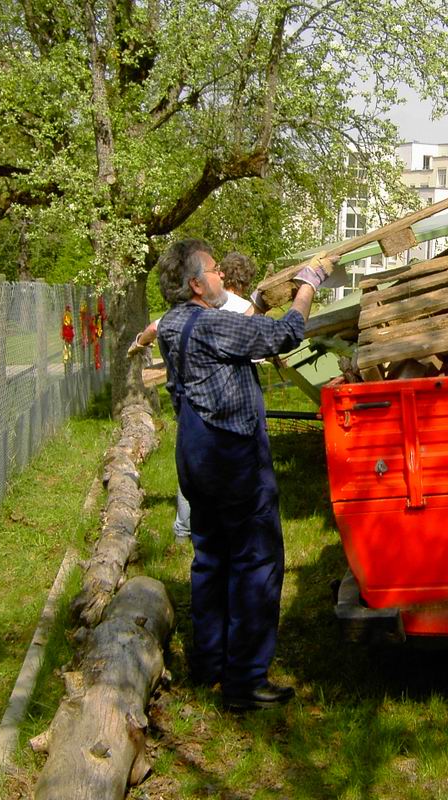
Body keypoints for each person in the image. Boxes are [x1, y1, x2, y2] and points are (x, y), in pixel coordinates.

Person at [154, 238, 332, 711]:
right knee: (255, 563)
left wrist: (254, 302)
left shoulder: (171, 324)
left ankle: (209, 664)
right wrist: (308, 285)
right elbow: (284, 335)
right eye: (214, 270)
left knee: (211, 559)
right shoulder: (213, 325)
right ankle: (246, 681)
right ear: (196, 284)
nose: (221, 276)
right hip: (232, 458)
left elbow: (238, 327)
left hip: (194, 456)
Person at [128, 251, 260, 538]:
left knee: (194, 466)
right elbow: (259, 341)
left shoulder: (188, 312)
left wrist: (139, 343)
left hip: (193, 406)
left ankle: (185, 527)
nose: (218, 276)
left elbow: (154, 327)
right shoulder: (242, 307)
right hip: (231, 407)